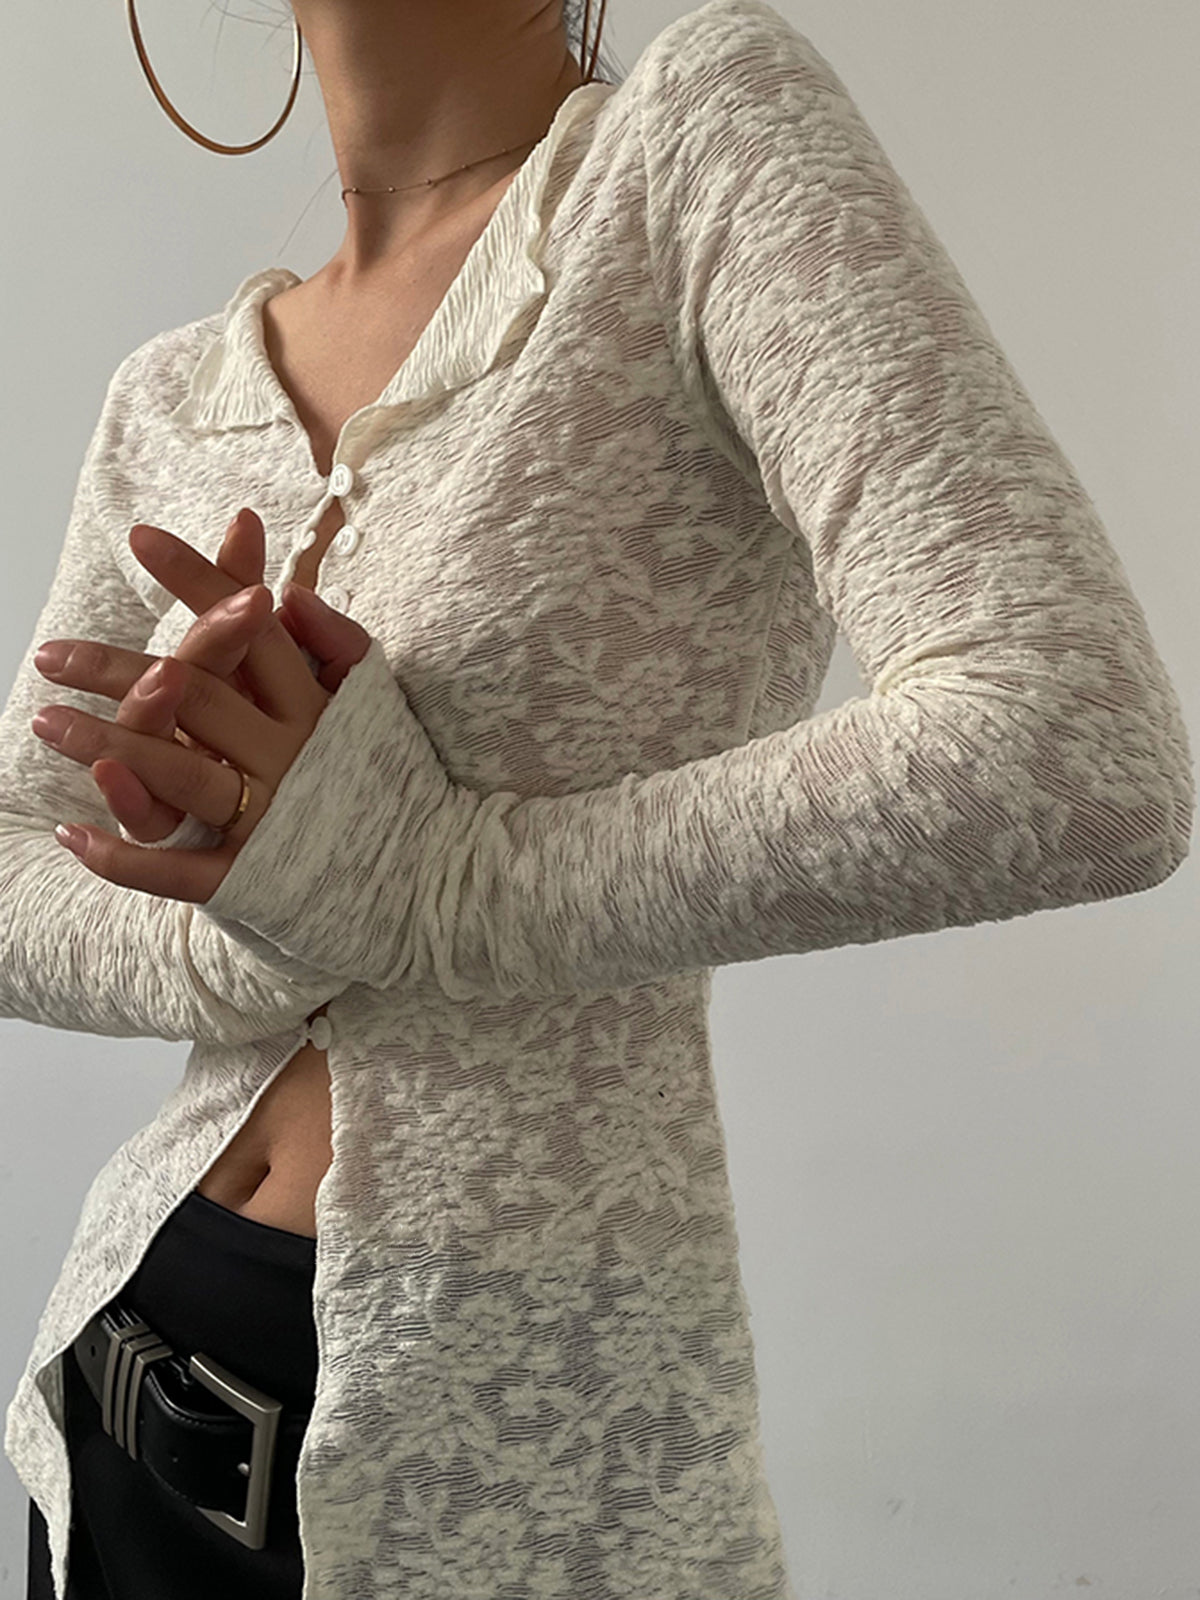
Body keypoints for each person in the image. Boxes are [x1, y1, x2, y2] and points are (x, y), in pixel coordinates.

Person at [6, 0, 1193, 1594]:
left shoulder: (690, 146)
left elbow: (1074, 744)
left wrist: (434, 883)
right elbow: (12, 871)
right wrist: (269, 920)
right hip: (109, 1403)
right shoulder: (169, 397)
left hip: (510, 1470)